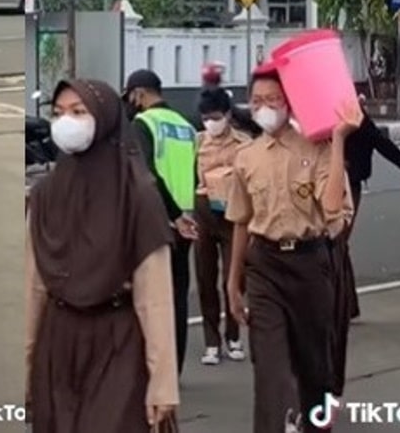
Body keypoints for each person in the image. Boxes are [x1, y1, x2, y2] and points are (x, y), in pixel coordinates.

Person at [26, 79, 179, 433]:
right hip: (58, 341)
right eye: (59, 113)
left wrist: (162, 383)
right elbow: (32, 287)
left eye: (79, 112)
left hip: (118, 342)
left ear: (106, 119)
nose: (66, 122)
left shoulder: (137, 197)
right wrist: (26, 363)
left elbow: (154, 298)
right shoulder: (46, 194)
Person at [226, 66, 358, 433]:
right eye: (256, 100)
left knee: (315, 368)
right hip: (264, 267)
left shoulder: (316, 149)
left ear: (290, 102)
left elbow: (333, 213)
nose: (263, 107)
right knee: (270, 370)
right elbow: (240, 220)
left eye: (272, 99)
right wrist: (232, 282)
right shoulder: (247, 156)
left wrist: (338, 140)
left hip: (310, 265)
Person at [329, 97, 400, 399]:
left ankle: (342, 307)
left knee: (338, 244)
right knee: (335, 245)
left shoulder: (361, 123)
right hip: (329, 183)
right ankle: (346, 306)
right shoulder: (330, 120)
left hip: (352, 186)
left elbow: (386, 147)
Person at [124, 69, 197, 376]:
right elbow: (193, 174)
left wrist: (172, 214)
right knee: (178, 298)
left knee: (151, 299)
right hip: (185, 222)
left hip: (159, 221)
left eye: (130, 97)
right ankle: (174, 370)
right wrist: (184, 215)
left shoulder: (143, 124)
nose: (130, 103)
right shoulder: (186, 126)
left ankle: (154, 372)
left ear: (139, 94)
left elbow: (147, 174)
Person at [194, 87, 250, 366]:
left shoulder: (243, 143)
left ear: (227, 115)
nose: (210, 122)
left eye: (215, 116)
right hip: (204, 213)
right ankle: (211, 341)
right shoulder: (197, 142)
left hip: (233, 215)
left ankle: (234, 336)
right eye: (205, 117)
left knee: (234, 276)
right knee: (205, 279)